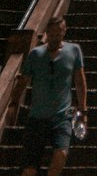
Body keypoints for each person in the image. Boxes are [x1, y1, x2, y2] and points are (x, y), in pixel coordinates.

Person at [11, 15, 87, 176]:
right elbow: (23, 81)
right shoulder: (35, 54)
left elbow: (79, 81)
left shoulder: (73, 51)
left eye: (58, 34)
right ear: (46, 33)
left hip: (62, 116)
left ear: (64, 32)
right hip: (37, 117)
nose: (55, 37)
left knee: (61, 154)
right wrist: (14, 103)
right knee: (29, 168)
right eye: (52, 34)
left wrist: (83, 109)